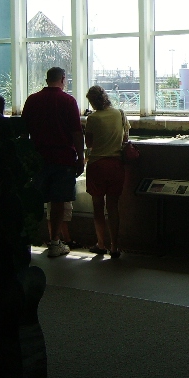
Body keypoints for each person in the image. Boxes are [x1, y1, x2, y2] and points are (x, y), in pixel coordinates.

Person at [22, 68, 84, 258]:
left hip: (38, 159)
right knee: (58, 202)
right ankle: (55, 242)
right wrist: (81, 157)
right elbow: (76, 132)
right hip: (63, 158)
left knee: (33, 200)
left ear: (46, 79)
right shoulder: (68, 101)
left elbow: (24, 131)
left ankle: (27, 238)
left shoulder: (32, 100)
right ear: (63, 80)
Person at [84, 85, 129, 258]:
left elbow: (89, 144)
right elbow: (125, 138)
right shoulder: (120, 113)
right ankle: (115, 247)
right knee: (113, 207)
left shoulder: (93, 119)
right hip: (116, 166)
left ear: (93, 101)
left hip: (97, 166)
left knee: (98, 207)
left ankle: (101, 244)